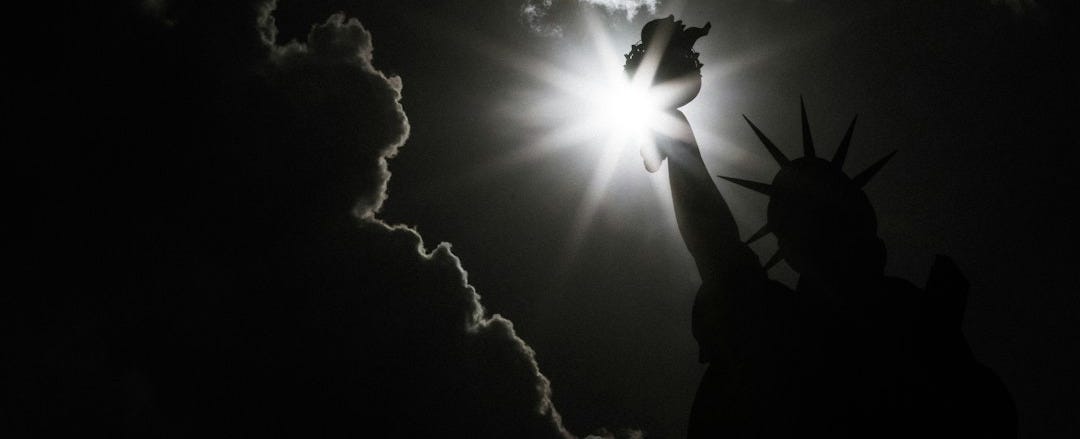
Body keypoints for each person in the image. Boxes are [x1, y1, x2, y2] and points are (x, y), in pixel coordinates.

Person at [624, 17, 1017, 438]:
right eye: (799, 218)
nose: (813, 232)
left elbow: (719, 251)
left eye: (819, 215)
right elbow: (718, 248)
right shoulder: (792, 321)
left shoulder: (896, 319)